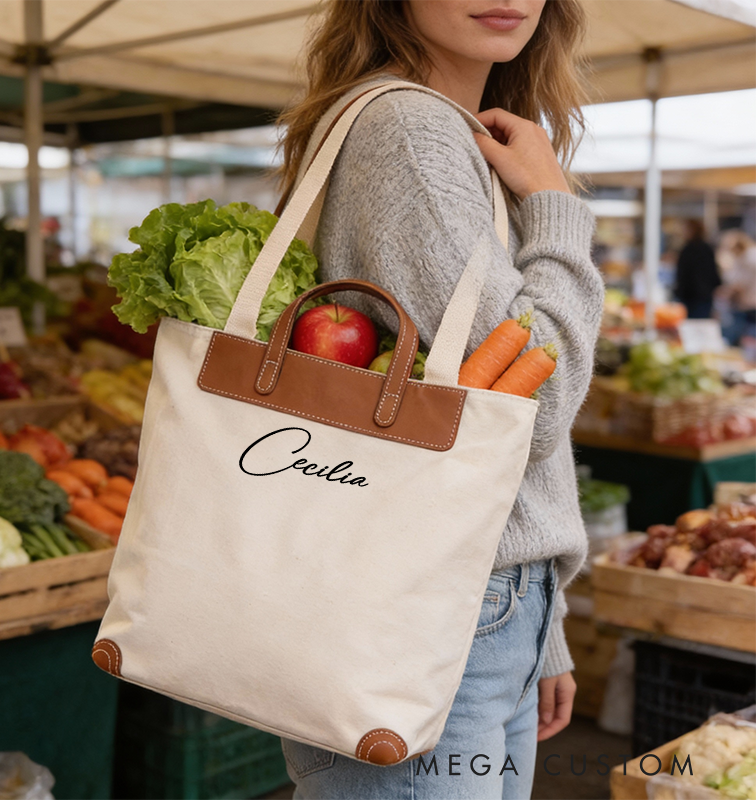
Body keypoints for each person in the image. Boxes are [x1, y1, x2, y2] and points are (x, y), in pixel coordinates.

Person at [276, 2, 605, 797]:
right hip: (436, 612)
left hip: (470, 602)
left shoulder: (454, 135)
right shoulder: (409, 132)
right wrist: (558, 209)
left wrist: (542, 623)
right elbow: (529, 398)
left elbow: (482, 401)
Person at [674, 219, 722, 319]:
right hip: (703, 295)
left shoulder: (688, 249)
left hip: (692, 296)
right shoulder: (706, 248)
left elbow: (683, 275)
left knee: (693, 325)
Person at [717, 231, 756, 346]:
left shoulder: (748, 259)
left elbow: (740, 284)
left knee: (745, 336)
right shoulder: (747, 257)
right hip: (748, 303)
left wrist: (726, 292)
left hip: (749, 303)